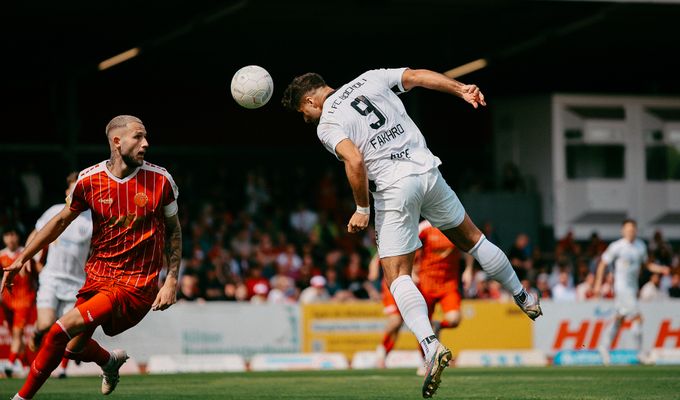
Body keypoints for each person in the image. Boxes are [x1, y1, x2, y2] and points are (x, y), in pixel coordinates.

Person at [282, 68, 541, 398]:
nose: (307, 119)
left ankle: (431, 345)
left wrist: (362, 209)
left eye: (304, 113)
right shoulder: (370, 78)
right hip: (427, 171)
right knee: (474, 240)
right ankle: (523, 296)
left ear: (309, 99)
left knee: (397, 274)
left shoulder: (328, 122)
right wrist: (461, 89)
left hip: (393, 189)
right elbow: (417, 76)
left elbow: (356, 161)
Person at [2, 115, 182, 400]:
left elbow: (174, 231)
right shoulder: (89, 180)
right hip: (98, 278)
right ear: (117, 141)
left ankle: (20, 398)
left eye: (146, 137)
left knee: (57, 332)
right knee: (73, 348)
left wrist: (171, 279)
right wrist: (22, 258)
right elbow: (60, 221)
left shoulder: (160, 180)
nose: (145, 143)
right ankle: (109, 362)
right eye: (138, 137)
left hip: (135, 284)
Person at [376, 221, 474, 374]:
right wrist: (411, 272)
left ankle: (438, 326)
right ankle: (425, 361)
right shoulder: (423, 228)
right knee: (416, 324)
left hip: (448, 284)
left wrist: (468, 270)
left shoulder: (455, 223)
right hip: (425, 283)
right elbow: (405, 243)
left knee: (454, 319)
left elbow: (469, 245)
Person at [26, 172, 93, 379]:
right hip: (52, 278)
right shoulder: (55, 212)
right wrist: (26, 257)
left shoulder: (91, 219)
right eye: (73, 188)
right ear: (67, 192)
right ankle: (37, 333)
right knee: (46, 323)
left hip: (76, 283)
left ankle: (66, 363)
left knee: (69, 336)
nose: (76, 192)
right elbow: (37, 233)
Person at [594, 219, 671, 365]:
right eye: (628, 230)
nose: (630, 232)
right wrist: (598, 283)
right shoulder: (617, 246)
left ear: (635, 231)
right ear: (623, 231)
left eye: (632, 230)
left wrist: (661, 269)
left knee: (619, 318)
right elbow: (603, 263)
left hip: (632, 288)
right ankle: (640, 353)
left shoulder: (640, 246)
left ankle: (603, 347)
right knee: (638, 318)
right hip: (622, 288)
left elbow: (647, 264)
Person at [0, 227, 37, 378]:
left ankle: (10, 363)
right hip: (8, 301)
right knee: (16, 335)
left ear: (18, 237)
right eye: (7, 235)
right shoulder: (1, 256)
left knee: (17, 333)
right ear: (3, 238)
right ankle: (25, 364)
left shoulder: (26, 253)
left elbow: (36, 272)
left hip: (24, 300)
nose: (11, 238)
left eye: (13, 234)